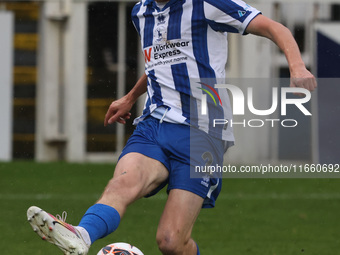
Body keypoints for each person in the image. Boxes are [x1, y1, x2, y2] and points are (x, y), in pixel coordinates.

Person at [27, 0, 317, 254]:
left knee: (171, 242)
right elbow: (159, 63)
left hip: (203, 133)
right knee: (122, 184)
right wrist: (130, 98)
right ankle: (82, 235)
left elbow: (275, 28)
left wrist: (297, 66)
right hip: (154, 124)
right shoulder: (141, 12)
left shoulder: (208, 4)